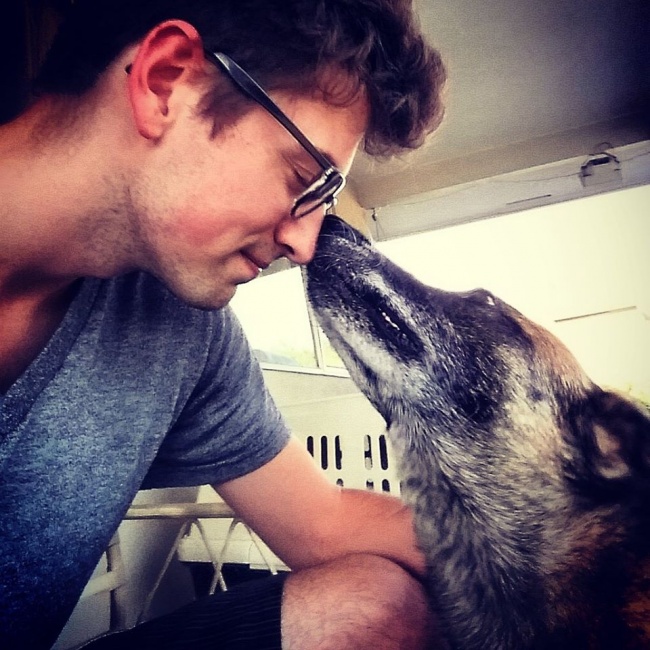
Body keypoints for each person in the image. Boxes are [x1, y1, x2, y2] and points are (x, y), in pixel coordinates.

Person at [0, 0, 447, 648]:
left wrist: (571, 556)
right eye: (303, 177)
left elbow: (325, 523)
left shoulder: (187, 335)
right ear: (165, 82)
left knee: (377, 607)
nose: (305, 245)